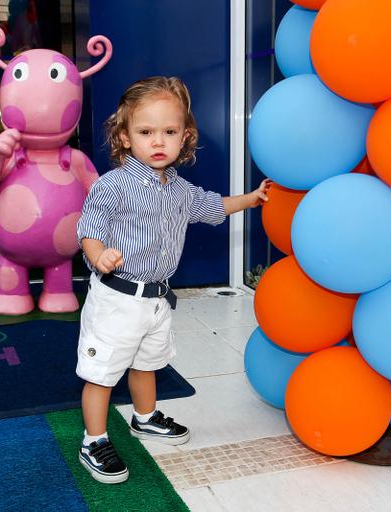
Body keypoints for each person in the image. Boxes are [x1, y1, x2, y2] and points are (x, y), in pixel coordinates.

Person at [75, 76, 270, 484]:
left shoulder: (178, 188)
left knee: (148, 363)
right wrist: (99, 254)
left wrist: (251, 198)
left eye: (169, 131)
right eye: (146, 132)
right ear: (125, 138)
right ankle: (93, 441)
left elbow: (212, 206)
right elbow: (89, 229)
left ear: (185, 137)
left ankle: (144, 419)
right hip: (117, 298)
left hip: (157, 300)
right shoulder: (113, 186)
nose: (158, 141)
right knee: (102, 373)